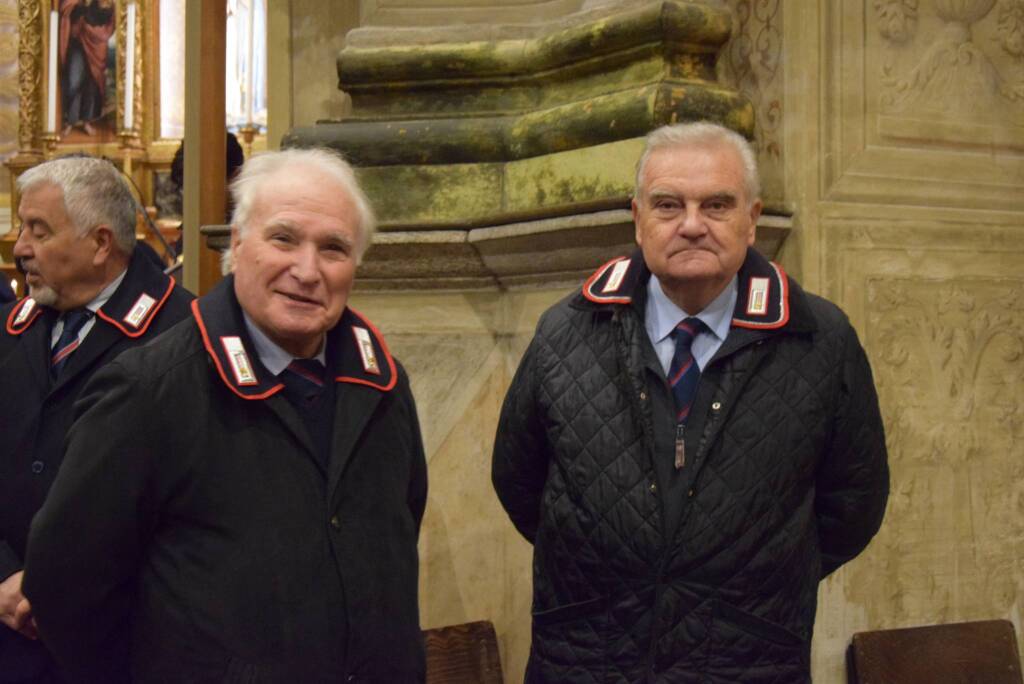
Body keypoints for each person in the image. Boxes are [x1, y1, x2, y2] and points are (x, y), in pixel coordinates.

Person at [492, 122, 889, 683]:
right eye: (668, 205)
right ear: (637, 217)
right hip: (589, 654)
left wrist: (752, 576)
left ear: (752, 219)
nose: (692, 225)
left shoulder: (820, 338)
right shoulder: (566, 330)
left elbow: (854, 502)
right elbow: (519, 478)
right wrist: (625, 560)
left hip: (747, 656)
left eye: (717, 205)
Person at [24, 148, 428, 682]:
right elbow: (64, 584)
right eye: (283, 238)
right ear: (237, 244)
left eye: (333, 248)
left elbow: (395, 534)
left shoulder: (384, 386)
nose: (306, 270)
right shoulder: (150, 390)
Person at [0, 156, 194, 683]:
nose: (19, 248)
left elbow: (191, 502)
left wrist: (55, 589)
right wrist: (7, 576)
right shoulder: (11, 329)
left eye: (38, 231)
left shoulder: (182, 338)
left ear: (101, 243)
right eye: (22, 228)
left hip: (121, 641)